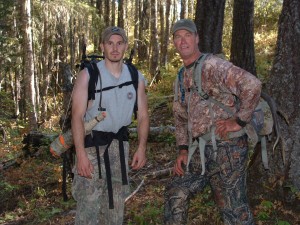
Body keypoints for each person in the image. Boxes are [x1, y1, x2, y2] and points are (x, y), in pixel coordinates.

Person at [164, 19, 262, 225]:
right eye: (177, 37)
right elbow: (180, 116)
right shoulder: (181, 76)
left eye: (187, 35)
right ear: (173, 42)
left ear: (197, 38)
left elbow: (252, 84)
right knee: (176, 192)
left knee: (233, 209)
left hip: (228, 148)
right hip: (199, 150)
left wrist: (239, 121)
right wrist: (182, 149)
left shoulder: (212, 65)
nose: (182, 41)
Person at [71, 26, 149, 225]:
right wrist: (80, 154)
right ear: (102, 46)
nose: (115, 48)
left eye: (119, 43)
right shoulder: (88, 75)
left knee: (115, 210)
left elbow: (142, 116)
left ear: (125, 46)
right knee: (87, 211)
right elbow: (77, 117)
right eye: (110, 43)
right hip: (91, 148)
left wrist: (141, 147)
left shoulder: (135, 76)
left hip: (119, 148)